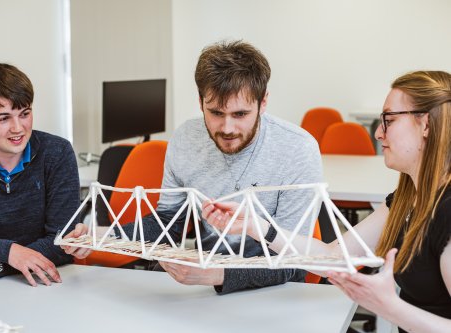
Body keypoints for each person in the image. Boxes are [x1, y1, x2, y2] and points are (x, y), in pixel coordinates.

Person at [64, 40, 322, 294]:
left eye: (240, 114)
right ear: (200, 102)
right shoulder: (186, 139)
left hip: (277, 290)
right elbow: (168, 223)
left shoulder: (297, 149)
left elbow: (292, 258)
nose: (228, 128)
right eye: (216, 113)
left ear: (263, 102)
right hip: (205, 286)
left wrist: (218, 275)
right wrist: (102, 235)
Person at [204, 71, 451, 331]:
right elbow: (333, 257)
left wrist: (392, 308)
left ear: (426, 125)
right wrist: (256, 227)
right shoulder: (407, 199)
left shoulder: (447, 212)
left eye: (388, 120)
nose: (378, 133)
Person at [0, 62, 80, 290]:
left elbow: (62, 242)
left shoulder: (57, 153)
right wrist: (7, 251)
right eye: (3, 118)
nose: (18, 128)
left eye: (25, 114)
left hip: (48, 282)